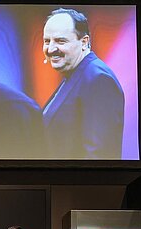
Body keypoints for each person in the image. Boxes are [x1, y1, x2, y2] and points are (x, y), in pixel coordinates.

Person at [42, 8, 125, 160]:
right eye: (47, 41)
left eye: (61, 41)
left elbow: (99, 156)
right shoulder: (76, 73)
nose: (51, 48)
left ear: (84, 42)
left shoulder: (98, 80)